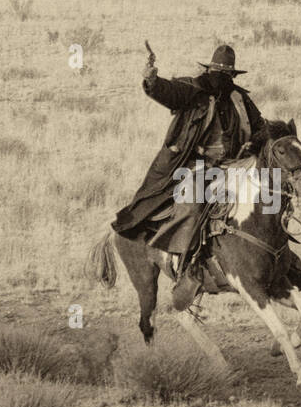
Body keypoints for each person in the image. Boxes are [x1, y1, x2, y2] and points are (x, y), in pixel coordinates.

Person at [112, 44, 266, 302]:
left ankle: (274, 260)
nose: (223, 78)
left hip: (235, 165)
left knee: (267, 199)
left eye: (227, 75)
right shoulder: (193, 90)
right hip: (197, 165)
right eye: (219, 72)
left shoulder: (240, 99)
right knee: (193, 206)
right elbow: (168, 92)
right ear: (211, 70)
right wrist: (151, 80)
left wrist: (260, 141)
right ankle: (186, 265)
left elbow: (260, 126)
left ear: (233, 76)